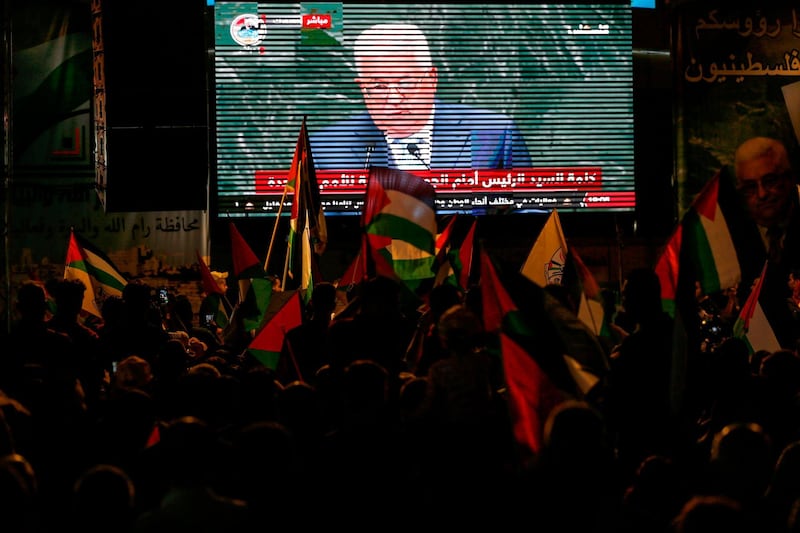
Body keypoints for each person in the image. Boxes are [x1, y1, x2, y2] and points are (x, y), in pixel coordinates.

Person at [310, 23, 531, 171]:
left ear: (432, 79)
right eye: (378, 86)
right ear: (362, 88)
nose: (395, 99)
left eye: (406, 83)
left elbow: (531, 215)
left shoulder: (495, 134)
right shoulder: (324, 147)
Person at [732, 136, 800, 348]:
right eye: (751, 187)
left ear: (788, 179)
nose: (761, 194)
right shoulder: (740, 239)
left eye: (770, 181)